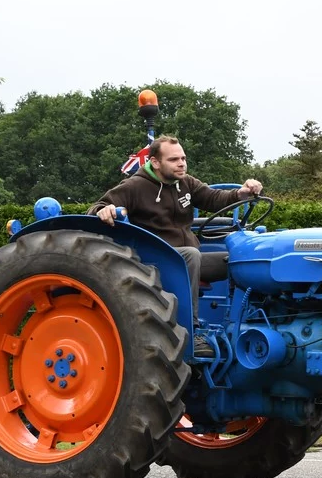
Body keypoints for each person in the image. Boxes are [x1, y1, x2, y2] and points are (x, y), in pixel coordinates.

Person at [89, 135, 262, 356]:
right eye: (173, 160)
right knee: (190, 255)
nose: (181, 163)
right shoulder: (135, 186)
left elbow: (213, 198)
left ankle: (240, 326)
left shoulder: (185, 183)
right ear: (155, 162)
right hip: (154, 260)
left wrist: (241, 193)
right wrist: (104, 210)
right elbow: (99, 206)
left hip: (186, 257)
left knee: (238, 259)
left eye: (183, 158)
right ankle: (192, 331)